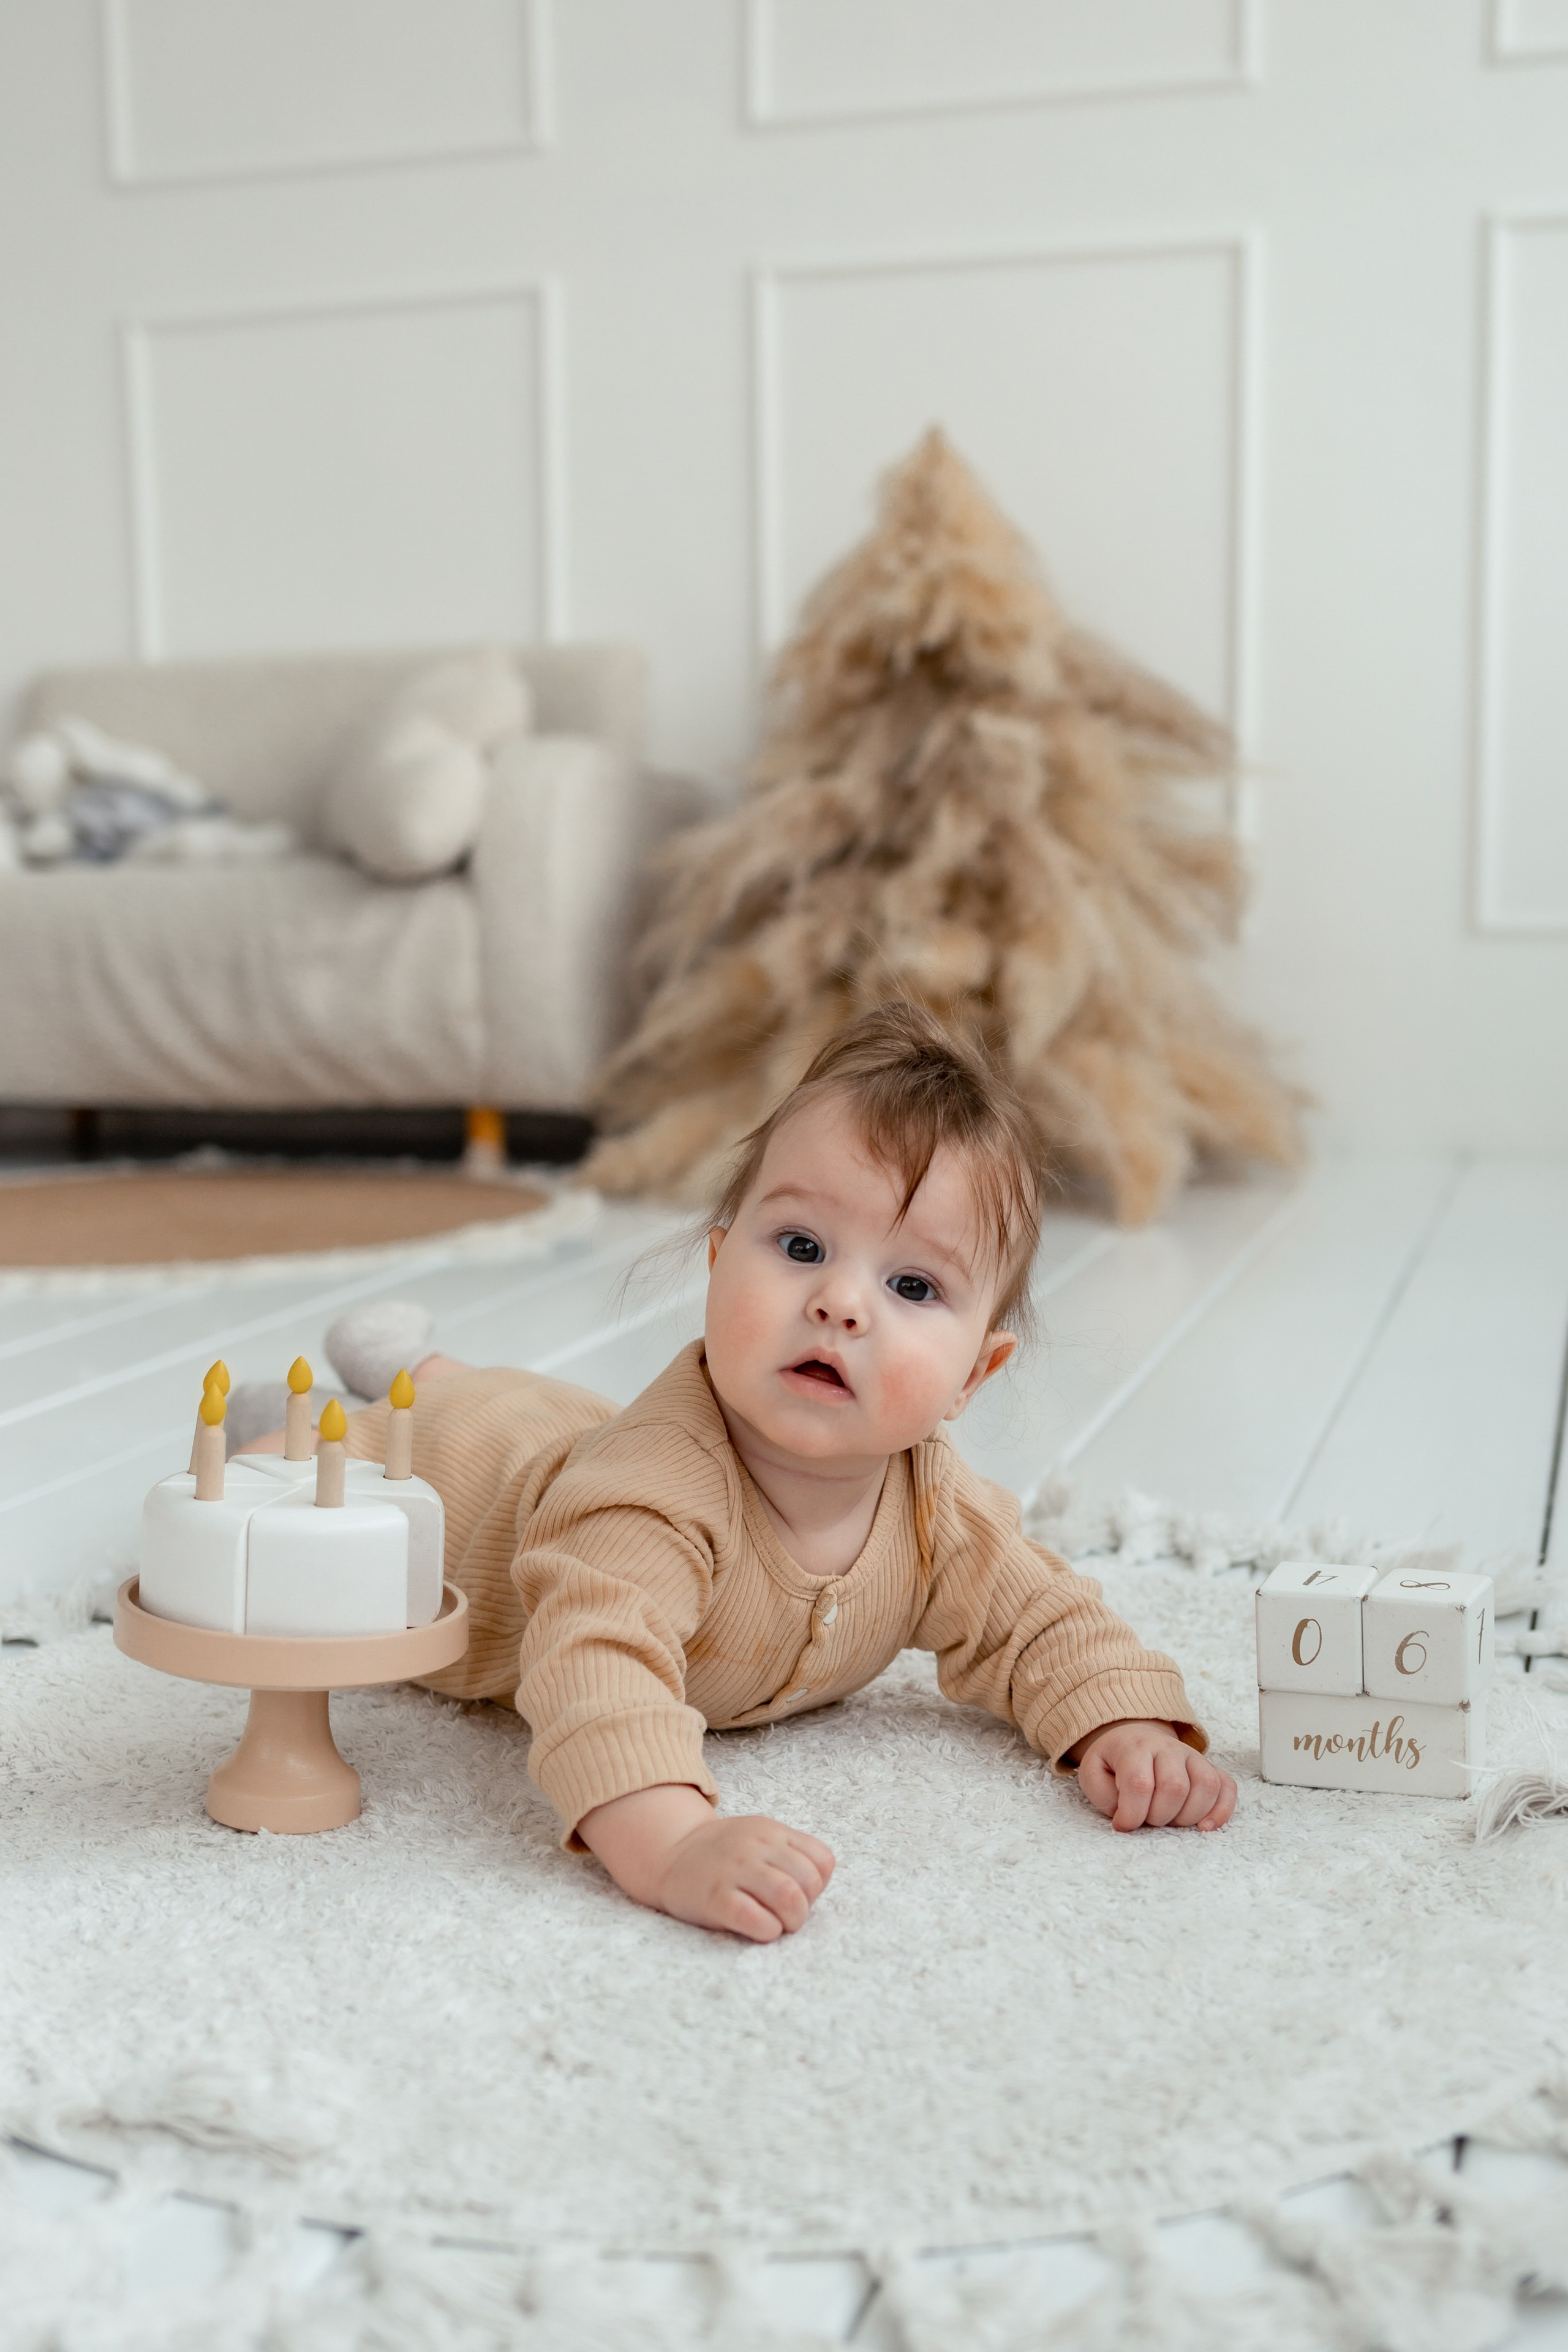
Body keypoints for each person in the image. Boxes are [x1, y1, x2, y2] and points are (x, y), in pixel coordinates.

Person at [243, 1006, 1235, 1941]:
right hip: (471, 1477)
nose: (842, 1302)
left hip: (566, 1428)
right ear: (720, 1266)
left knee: (537, 1407)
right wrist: (671, 1840)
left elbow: (1040, 1615)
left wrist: (1124, 1717)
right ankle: (351, 1407)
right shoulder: (645, 1503)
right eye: (800, 1246)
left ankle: (419, 1364)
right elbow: (596, 1671)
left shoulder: (937, 1508)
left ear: (975, 1373)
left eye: (913, 1285)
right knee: (322, 1466)